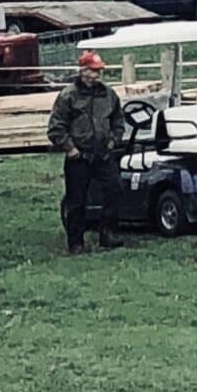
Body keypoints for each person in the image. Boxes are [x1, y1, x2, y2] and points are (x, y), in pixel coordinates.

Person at [47, 51, 125, 254]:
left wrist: (113, 140)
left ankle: (107, 234)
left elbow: (118, 121)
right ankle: (76, 242)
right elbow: (56, 127)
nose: (97, 75)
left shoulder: (109, 95)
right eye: (93, 71)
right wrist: (70, 148)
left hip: (103, 155)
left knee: (115, 190)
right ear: (83, 71)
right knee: (76, 200)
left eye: (99, 71)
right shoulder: (68, 96)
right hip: (78, 157)